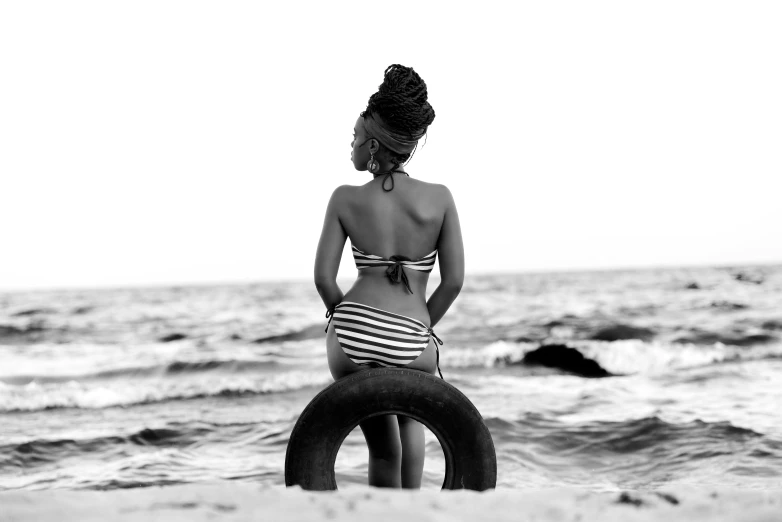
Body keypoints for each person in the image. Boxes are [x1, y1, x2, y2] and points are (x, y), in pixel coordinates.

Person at [314, 64, 464, 489]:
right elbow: (453, 282)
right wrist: (417, 324)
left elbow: (324, 281)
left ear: (374, 144)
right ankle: (411, 512)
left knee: (382, 447)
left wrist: (351, 318)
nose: (351, 146)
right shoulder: (440, 199)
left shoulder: (344, 199)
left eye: (355, 139)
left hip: (352, 337)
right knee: (411, 421)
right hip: (411, 338)